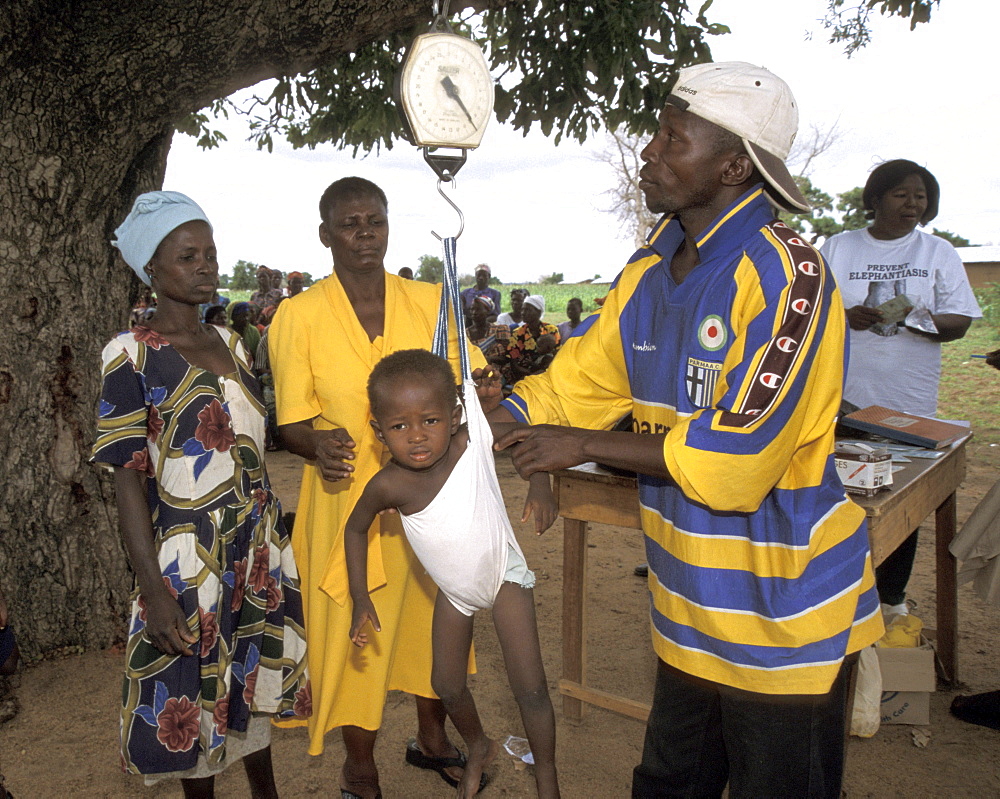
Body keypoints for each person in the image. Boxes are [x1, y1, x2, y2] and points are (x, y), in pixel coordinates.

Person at [490, 62, 883, 798]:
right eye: (655, 134)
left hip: (783, 621)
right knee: (668, 785)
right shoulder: (647, 271)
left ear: (735, 164)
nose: (648, 151)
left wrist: (586, 445)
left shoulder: (787, 275)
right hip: (688, 610)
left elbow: (738, 461)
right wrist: (494, 420)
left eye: (673, 139)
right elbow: (572, 385)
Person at [268, 176, 498, 799]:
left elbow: (472, 380)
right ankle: (360, 766)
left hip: (432, 496)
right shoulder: (299, 315)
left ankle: (432, 738)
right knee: (356, 635)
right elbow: (289, 422)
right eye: (349, 223)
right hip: (349, 501)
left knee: (434, 618)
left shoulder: (430, 300)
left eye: (375, 220)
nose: (364, 233)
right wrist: (313, 445)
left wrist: (488, 387)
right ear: (325, 235)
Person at [93, 191, 309, 796]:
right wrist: (157, 594)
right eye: (188, 256)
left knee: (252, 690)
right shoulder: (130, 356)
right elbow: (128, 482)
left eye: (210, 253)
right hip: (189, 561)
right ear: (151, 271)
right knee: (197, 703)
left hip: (255, 551)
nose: (206, 266)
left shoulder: (234, 345)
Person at [345, 350, 559, 799]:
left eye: (431, 420)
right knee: (445, 683)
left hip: (504, 577)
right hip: (454, 591)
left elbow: (529, 439)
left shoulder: (470, 442)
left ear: (456, 414)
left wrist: (541, 486)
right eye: (399, 426)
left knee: (531, 688)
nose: (417, 436)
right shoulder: (388, 485)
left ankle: (547, 780)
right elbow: (354, 528)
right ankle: (478, 744)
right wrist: (360, 596)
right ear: (377, 431)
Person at [821, 160, 982, 617]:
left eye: (921, 196)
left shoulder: (937, 252)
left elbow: (961, 322)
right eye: (901, 195)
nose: (913, 204)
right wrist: (845, 317)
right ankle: (836, 595)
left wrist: (919, 320)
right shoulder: (838, 247)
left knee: (898, 502)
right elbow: (808, 308)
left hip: (906, 401)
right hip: (843, 395)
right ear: (875, 199)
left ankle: (890, 600)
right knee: (839, 492)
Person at [507, 295, 560, 383]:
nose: (523, 313)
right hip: (523, 374)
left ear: (539, 312)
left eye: (527, 310)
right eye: (522, 309)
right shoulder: (517, 333)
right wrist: (531, 376)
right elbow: (514, 364)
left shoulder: (551, 330)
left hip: (547, 374)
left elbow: (557, 356)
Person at [467, 296, 511, 368]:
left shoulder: (500, 330)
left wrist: (490, 359)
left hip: (498, 373)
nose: (474, 312)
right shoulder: (465, 334)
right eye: (472, 309)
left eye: (478, 309)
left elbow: (508, 356)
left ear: (488, 311)